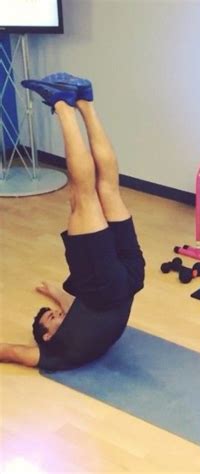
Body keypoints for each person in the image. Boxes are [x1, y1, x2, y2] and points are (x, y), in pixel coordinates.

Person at [0, 73, 145, 370]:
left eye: (52, 314)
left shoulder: (78, 330)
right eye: (52, 318)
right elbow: (10, 351)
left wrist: (53, 291)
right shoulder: (53, 354)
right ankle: (63, 105)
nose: (58, 313)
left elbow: (71, 306)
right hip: (105, 286)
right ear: (48, 337)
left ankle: (84, 101)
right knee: (84, 196)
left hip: (131, 279)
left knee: (108, 188)